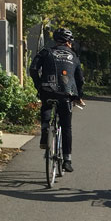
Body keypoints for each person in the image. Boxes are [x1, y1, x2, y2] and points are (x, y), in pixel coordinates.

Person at [30, 27, 85, 173]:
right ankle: (67, 160)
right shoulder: (73, 56)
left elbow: (33, 68)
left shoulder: (46, 52)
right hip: (66, 93)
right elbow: (80, 79)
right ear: (69, 42)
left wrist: (39, 85)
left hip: (47, 90)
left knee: (46, 106)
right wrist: (78, 96)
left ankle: (45, 130)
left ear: (55, 40)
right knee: (66, 126)